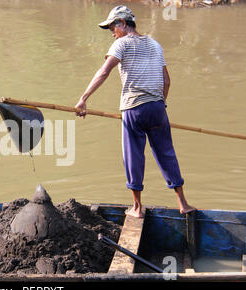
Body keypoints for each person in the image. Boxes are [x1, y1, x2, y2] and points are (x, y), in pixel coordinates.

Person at [75, 6, 196, 218]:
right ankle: (183, 203)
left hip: (133, 108)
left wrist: (83, 99)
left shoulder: (121, 44)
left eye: (112, 27)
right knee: (166, 153)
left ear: (122, 23)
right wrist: (159, 105)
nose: (112, 32)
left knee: (133, 156)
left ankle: (137, 208)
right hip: (158, 107)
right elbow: (167, 81)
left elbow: (104, 71)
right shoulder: (155, 45)